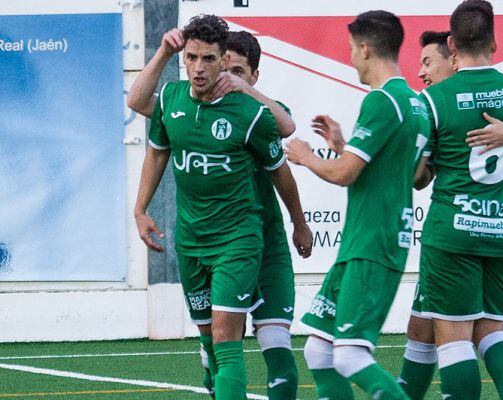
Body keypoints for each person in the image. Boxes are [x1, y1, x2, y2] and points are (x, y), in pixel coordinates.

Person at [128, 27, 310, 400]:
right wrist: (140, 208)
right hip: (198, 240)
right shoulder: (178, 101)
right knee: (215, 347)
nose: (221, 77)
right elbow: (142, 110)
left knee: (267, 349)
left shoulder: (257, 112)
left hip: (256, 240)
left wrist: (299, 223)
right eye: (199, 60)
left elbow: (286, 130)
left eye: (234, 72)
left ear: (253, 77)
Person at [398, 30, 503, 400]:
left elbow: (415, 176)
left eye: (428, 62)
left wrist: (456, 166)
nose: (422, 72)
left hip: (457, 231)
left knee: (478, 333)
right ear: (491, 44)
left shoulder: (434, 102)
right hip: (502, 227)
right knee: (436, 327)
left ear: (453, 53)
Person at [284, 10, 429, 400]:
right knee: (319, 350)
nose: (350, 58)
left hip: (373, 242)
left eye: (351, 49)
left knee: (348, 356)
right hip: (363, 242)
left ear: (365, 49)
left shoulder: (382, 101)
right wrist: (342, 146)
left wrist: (305, 156)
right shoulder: (414, 104)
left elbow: (344, 174)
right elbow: (415, 175)